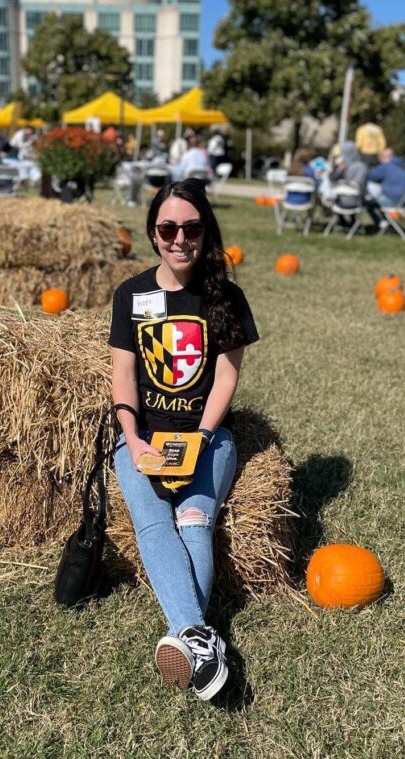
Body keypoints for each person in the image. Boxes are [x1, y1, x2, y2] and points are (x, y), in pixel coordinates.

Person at [109, 179, 259, 701]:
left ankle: (187, 635)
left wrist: (201, 436)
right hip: (143, 435)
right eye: (167, 228)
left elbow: (226, 378)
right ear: (153, 233)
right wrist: (132, 438)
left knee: (194, 520)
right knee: (154, 522)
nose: (179, 239)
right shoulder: (130, 295)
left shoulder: (225, 297)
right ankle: (201, 636)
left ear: (205, 232)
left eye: (191, 228)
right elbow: (123, 377)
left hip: (208, 437)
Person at [365, 147, 405, 227]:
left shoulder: (386, 167)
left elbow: (370, 175)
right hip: (403, 201)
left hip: (393, 201)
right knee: (376, 198)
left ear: (383, 157)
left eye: (380, 156)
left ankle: (379, 223)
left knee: (367, 202)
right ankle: (386, 222)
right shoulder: (401, 166)